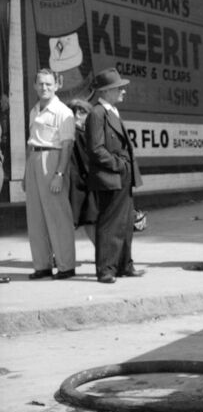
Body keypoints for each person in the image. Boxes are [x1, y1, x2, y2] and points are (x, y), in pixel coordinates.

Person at [87, 68, 143, 285]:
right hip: (112, 175)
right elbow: (96, 149)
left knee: (126, 222)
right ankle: (106, 270)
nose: (123, 92)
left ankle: (124, 265)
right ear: (107, 91)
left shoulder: (110, 111)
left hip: (121, 175)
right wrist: (119, 165)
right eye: (119, 88)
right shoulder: (97, 113)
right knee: (110, 223)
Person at [23, 69, 76, 279]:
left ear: (56, 85)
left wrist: (60, 174)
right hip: (34, 161)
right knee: (35, 217)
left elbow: (67, 146)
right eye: (41, 84)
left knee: (58, 216)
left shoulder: (64, 112)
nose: (44, 88)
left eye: (48, 84)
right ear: (35, 86)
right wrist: (27, 172)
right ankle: (42, 265)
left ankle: (66, 266)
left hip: (53, 160)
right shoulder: (34, 110)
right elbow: (31, 143)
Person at [67, 98, 98, 235]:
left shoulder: (68, 133)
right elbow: (87, 163)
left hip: (72, 184)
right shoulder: (80, 134)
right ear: (78, 114)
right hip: (81, 185)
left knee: (71, 223)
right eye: (87, 114)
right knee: (90, 222)